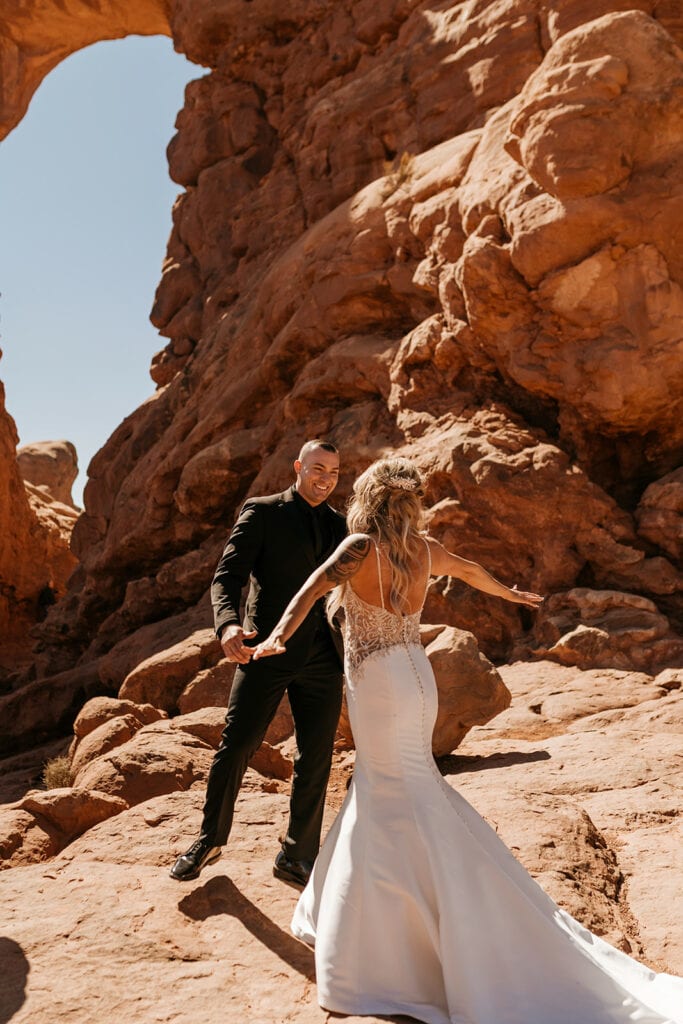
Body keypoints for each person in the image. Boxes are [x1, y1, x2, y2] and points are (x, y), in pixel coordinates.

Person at [253, 457, 683, 1024]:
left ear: (368, 501)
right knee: (406, 783)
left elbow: (309, 592)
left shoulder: (358, 546)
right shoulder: (424, 550)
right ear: (408, 504)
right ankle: (363, 910)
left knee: (387, 788)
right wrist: (512, 595)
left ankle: (392, 948)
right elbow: (473, 569)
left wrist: (276, 637)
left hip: (379, 683)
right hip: (417, 675)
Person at [170, 440, 347, 886]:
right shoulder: (263, 511)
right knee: (238, 744)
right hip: (263, 646)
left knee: (316, 757)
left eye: (334, 473)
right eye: (318, 469)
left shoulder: (341, 527)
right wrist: (228, 625)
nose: (325, 479)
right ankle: (209, 840)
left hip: (322, 655)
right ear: (298, 467)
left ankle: (296, 853)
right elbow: (227, 577)